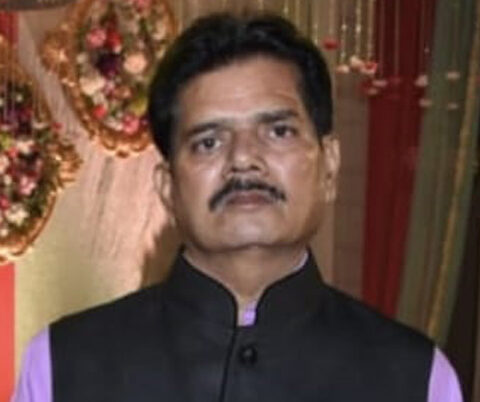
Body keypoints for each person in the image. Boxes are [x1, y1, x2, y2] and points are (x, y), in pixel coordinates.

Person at [13, 12, 462, 402]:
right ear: (167, 187)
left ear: (329, 166)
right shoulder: (63, 365)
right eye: (209, 142)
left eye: (279, 132)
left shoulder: (416, 377)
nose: (244, 158)